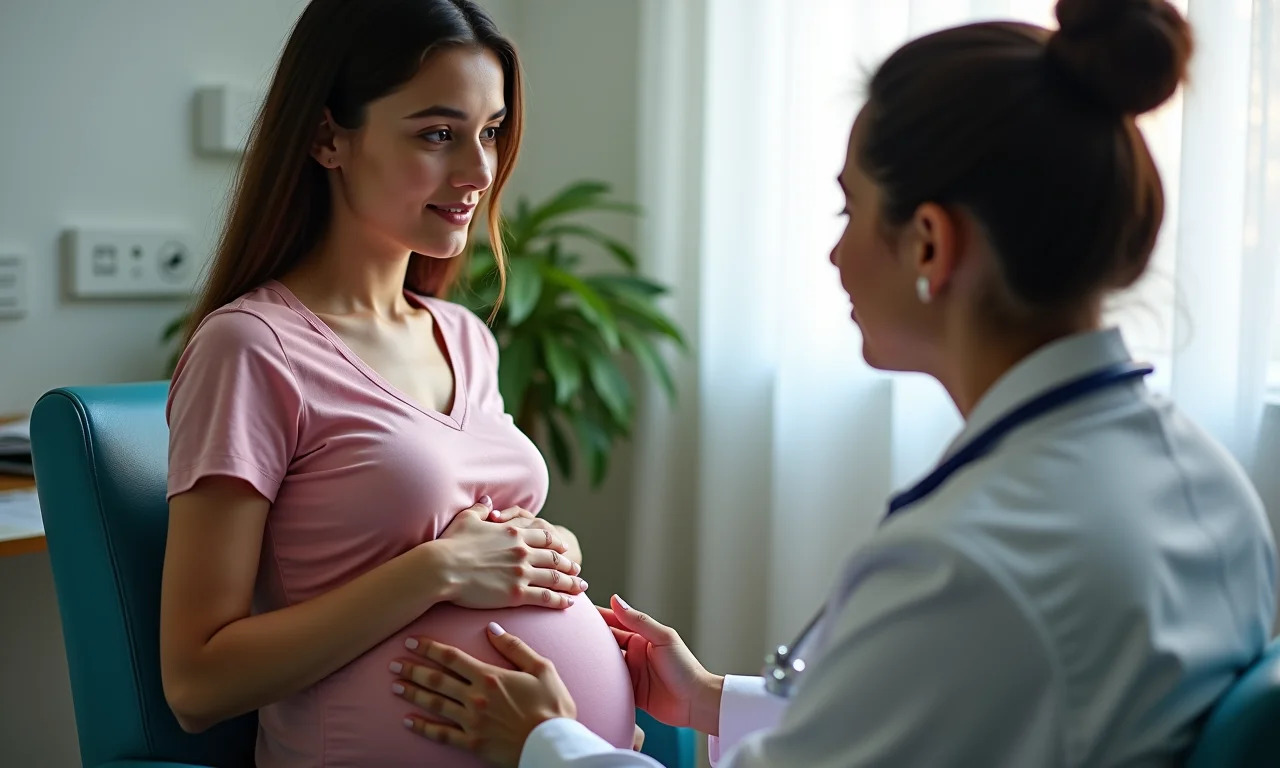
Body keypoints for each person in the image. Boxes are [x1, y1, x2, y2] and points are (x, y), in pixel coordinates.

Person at [383, 0, 1279, 765]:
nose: (835, 252)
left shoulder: (973, 563)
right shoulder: (1205, 483)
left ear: (931, 243)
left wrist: (546, 742)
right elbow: (974, 713)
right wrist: (711, 701)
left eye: (850, 209)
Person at [159, 1, 639, 766]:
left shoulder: (465, 338)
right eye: (438, 134)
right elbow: (196, 681)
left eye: (490, 132)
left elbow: (466, 525)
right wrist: (438, 570)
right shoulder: (253, 350)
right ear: (326, 138)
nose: (480, 171)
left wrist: (541, 553)